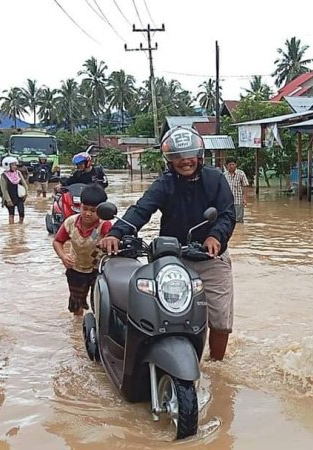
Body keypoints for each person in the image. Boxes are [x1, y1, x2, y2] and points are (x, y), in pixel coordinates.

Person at [99, 126, 237, 361]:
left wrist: (216, 236)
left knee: (221, 319)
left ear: (199, 156)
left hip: (210, 257)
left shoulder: (216, 179)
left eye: (189, 155)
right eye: (177, 157)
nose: (185, 161)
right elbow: (141, 210)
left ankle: (217, 366)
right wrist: (116, 233)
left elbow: (227, 214)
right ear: (170, 160)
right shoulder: (165, 183)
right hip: (174, 257)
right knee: (160, 312)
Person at [52, 185, 112, 315]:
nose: (88, 213)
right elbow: (57, 241)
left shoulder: (104, 224)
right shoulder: (70, 222)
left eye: (93, 210)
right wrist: (63, 257)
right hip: (76, 268)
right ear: (80, 206)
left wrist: (106, 241)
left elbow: (111, 241)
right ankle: (76, 330)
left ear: (101, 210)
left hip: (98, 269)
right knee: (76, 303)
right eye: (85, 209)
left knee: (100, 304)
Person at [0, 156, 30, 224]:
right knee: (11, 214)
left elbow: (24, 184)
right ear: (7, 165)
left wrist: (26, 193)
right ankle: (11, 229)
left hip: (19, 196)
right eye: (13, 165)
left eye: (15, 165)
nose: (15, 166)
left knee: (21, 212)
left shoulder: (18, 173)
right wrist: (8, 200)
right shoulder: (3, 176)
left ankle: (21, 227)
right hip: (9, 197)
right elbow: (4, 189)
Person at [223, 157, 250, 223]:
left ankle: (240, 232)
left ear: (236, 165)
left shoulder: (241, 173)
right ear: (226, 165)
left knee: (238, 220)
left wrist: (245, 199)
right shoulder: (224, 175)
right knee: (228, 220)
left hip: (238, 201)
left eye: (233, 164)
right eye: (230, 165)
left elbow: (245, 186)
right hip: (228, 202)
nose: (232, 166)